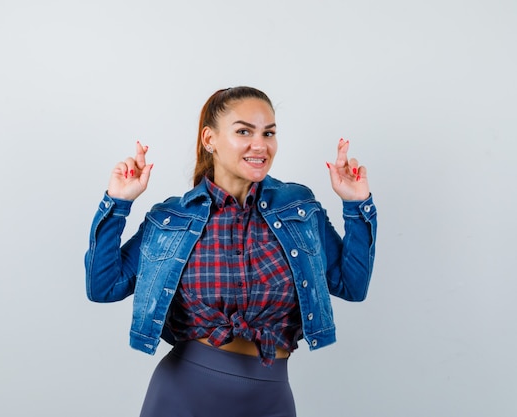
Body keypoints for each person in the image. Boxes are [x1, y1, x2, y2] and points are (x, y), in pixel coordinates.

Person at [85, 86, 377, 417]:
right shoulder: (172, 219)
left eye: (269, 133)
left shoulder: (299, 208)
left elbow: (352, 286)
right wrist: (118, 202)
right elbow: (103, 287)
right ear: (210, 140)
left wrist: (355, 206)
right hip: (183, 396)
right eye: (244, 131)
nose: (261, 144)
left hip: (270, 399)